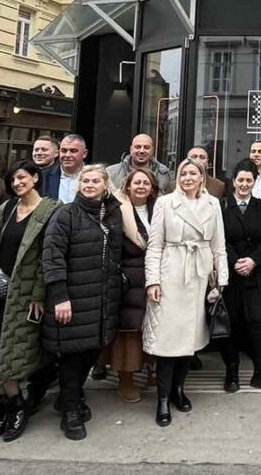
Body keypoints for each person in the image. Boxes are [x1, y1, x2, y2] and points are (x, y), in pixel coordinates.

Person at [0, 160, 61, 443]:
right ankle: (8, 405)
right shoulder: (7, 208)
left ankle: (15, 406)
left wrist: (38, 293)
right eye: (13, 180)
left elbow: (49, 254)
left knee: (8, 351)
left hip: (24, 295)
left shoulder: (50, 210)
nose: (17, 183)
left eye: (22, 177)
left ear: (35, 178)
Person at [42, 164, 124, 441]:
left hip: (103, 297)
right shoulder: (65, 214)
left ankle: (71, 396)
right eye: (85, 181)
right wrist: (60, 296)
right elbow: (52, 256)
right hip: (74, 298)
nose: (89, 185)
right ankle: (71, 411)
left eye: (95, 181)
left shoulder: (112, 213)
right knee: (72, 355)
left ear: (105, 185)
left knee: (92, 350)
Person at [143, 158, 227, 426]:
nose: (188, 177)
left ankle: (178, 389)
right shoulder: (165, 203)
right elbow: (154, 246)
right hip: (171, 273)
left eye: (193, 173)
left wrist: (221, 280)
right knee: (168, 341)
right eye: (183, 173)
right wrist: (152, 281)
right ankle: (162, 398)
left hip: (199, 276)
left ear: (202, 177)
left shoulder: (212, 204)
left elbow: (219, 246)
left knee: (189, 340)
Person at [221, 160, 261, 393]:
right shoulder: (222, 207)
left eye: (249, 180)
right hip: (232, 275)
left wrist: (253, 261)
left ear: (254, 182)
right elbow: (220, 238)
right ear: (233, 181)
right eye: (241, 180)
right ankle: (232, 373)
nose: (244, 184)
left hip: (257, 274)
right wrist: (236, 261)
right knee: (232, 325)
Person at [107, 168, 160, 403]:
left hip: (154, 276)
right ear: (127, 186)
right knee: (128, 331)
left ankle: (151, 369)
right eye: (136, 182)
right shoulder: (118, 210)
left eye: (145, 183)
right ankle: (126, 379)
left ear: (152, 188)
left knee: (153, 327)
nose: (141, 187)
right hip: (128, 279)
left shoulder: (160, 208)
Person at [107, 134, 174, 195]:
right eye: (138, 147)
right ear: (131, 149)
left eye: (146, 147)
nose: (142, 151)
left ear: (152, 150)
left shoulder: (163, 174)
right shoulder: (111, 173)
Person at [58, 135, 89, 203]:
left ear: (84, 154)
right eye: (64, 151)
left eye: (73, 151)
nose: (67, 155)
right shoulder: (45, 176)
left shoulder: (94, 177)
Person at [32, 136, 61, 200]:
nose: (39, 153)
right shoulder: (27, 173)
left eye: (44, 150)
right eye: (36, 150)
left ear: (56, 153)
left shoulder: (61, 175)